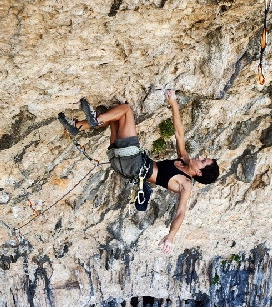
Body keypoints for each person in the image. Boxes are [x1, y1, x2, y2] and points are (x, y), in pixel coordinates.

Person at [58, 90, 219, 254]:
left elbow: (180, 212)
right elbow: (179, 134)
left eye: (203, 161)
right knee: (115, 117)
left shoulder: (185, 184)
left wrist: (171, 236)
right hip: (122, 163)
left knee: (126, 110)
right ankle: (77, 126)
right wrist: (174, 104)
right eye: (203, 157)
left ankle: (94, 120)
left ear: (199, 173)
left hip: (134, 163)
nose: (200, 157)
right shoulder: (184, 159)